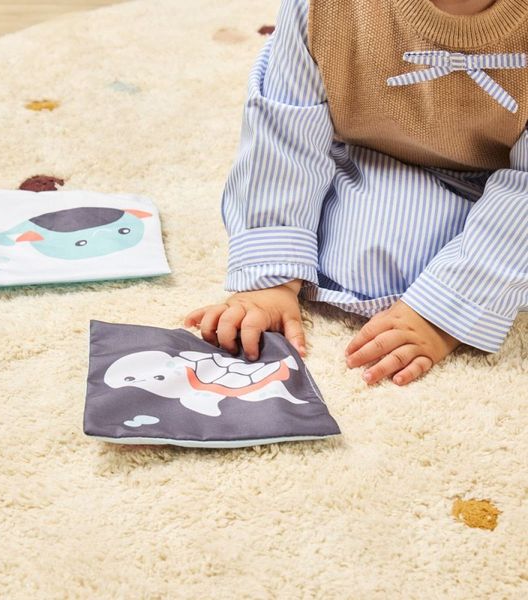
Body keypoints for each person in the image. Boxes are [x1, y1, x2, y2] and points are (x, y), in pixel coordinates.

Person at [186, 0, 528, 386]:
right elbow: (284, 130)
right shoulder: (323, 9)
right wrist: (271, 280)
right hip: (368, 158)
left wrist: (444, 310)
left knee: (450, 271)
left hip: (495, 183)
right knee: (363, 254)